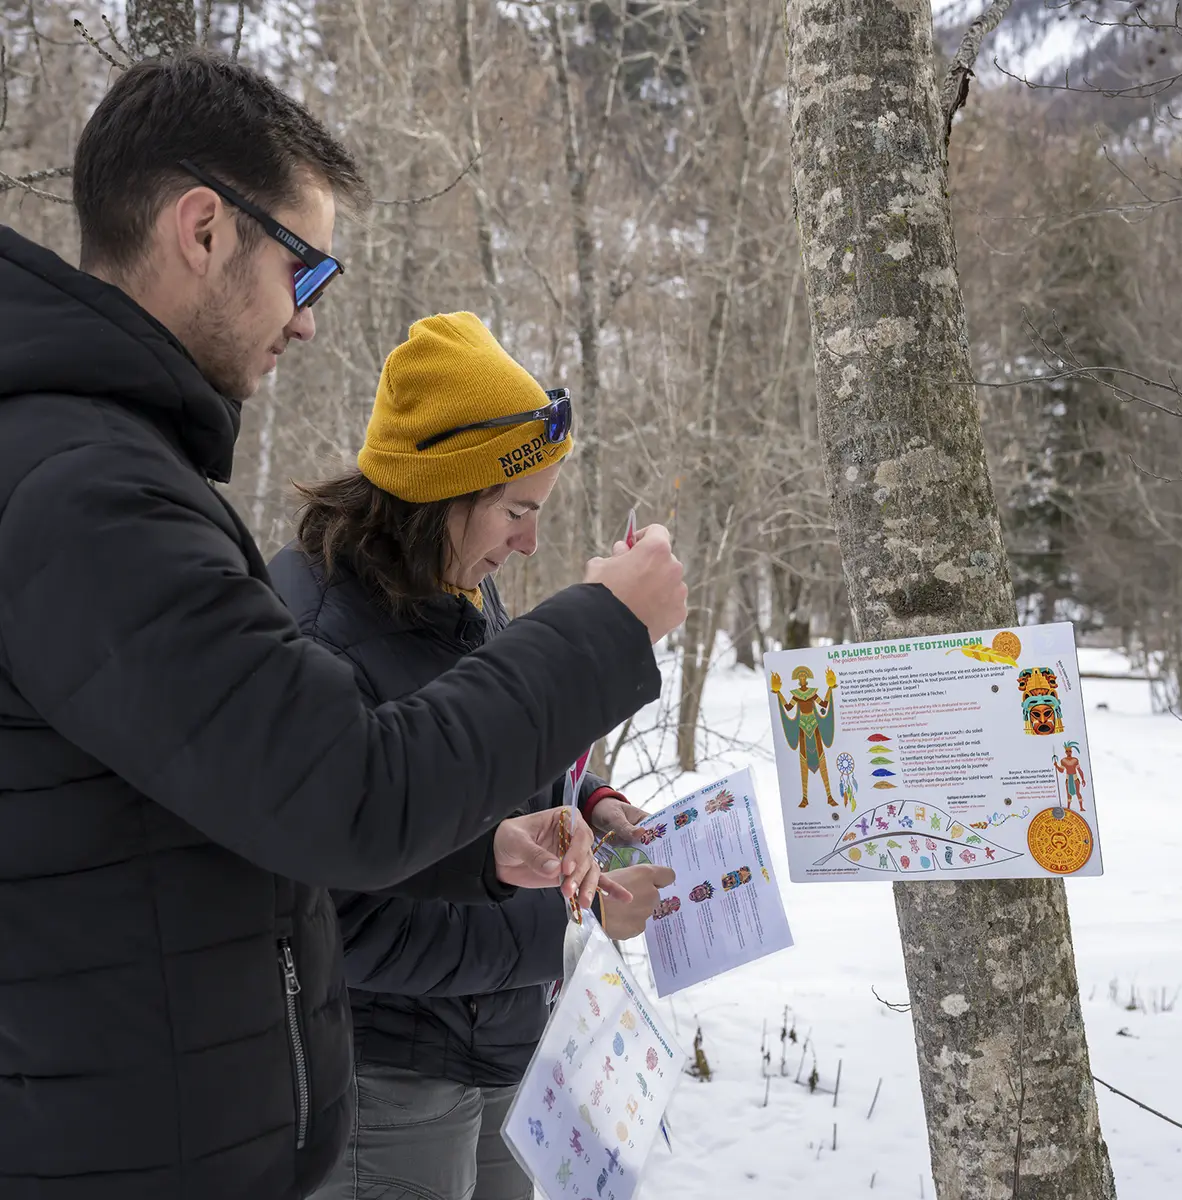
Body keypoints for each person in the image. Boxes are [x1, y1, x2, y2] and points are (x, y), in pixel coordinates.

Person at [0, 51, 687, 1200]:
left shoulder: (116, 477)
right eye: (303, 269)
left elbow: (229, 805)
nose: (310, 321)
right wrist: (604, 630)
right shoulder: (90, 498)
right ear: (205, 229)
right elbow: (346, 796)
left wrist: (486, 852)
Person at [269, 312, 676, 1200]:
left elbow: (481, 756)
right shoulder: (317, 642)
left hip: (502, 1049)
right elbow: (340, 925)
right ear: (437, 491)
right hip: (391, 1079)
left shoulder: (453, 577)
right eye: (517, 511)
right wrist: (569, 920)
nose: (529, 543)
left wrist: (586, 792)